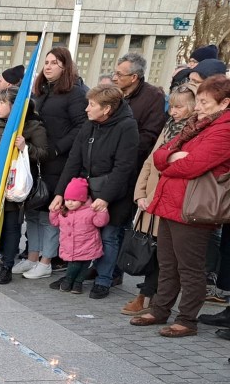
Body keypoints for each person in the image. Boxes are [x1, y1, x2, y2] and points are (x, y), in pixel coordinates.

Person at [133, 75, 230, 337]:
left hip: (193, 208)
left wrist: (172, 161)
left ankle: (188, 319)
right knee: (167, 263)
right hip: (171, 202)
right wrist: (173, 157)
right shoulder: (194, 125)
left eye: (204, 102)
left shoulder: (224, 129)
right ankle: (161, 308)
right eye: (197, 101)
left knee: (190, 268)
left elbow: (193, 165)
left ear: (224, 103)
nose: (198, 107)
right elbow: (160, 155)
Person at [51, 84, 139, 299]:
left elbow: (124, 167)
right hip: (86, 190)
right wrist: (61, 193)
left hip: (115, 193)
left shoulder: (127, 126)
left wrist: (106, 198)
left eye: (91, 105)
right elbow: (74, 159)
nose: (87, 109)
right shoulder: (90, 124)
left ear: (107, 109)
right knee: (83, 235)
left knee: (109, 236)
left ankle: (104, 279)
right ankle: (75, 274)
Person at [124, 85, 195, 315]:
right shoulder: (168, 127)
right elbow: (150, 161)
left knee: (161, 255)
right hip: (151, 201)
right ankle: (146, 295)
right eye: (171, 106)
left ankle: (151, 298)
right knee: (148, 249)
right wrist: (140, 193)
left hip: (169, 201)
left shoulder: (193, 131)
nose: (173, 111)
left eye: (178, 107)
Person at [0, 87, 49, 285]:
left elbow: (43, 154)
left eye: (2, 103)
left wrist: (26, 148)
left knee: (12, 227)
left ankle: (6, 264)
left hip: (14, 188)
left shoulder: (32, 127)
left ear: (15, 107)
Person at [29, 47, 88, 277]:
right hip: (37, 158)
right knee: (33, 210)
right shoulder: (41, 91)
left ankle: (46, 260)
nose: (48, 66)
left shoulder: (74, 93)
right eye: (47, 62)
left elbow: (81, 127)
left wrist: (57, 149)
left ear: (65, 67)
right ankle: (32, 255)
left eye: (54, 62)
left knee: (49, 213)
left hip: (58, 161)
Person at [49, 178, 110, 293]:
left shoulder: (90, 210)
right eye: (67, 199)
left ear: (82, 200)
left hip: (88, 246)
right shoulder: (63, 211)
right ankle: (69, 280)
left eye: (74, 200)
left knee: (84, 266)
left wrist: (102, 212)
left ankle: (77, 283)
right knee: (74, 265)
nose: (69, 203)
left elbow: (100, 222)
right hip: (71, 247)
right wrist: (53, 212)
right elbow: (55, 222)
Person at [114, 53, 168, 168]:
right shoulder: (114, 92)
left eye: (119, 75)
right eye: (114, 73)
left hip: (131, 162)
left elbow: (150, 134)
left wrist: (122, 152)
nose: (114, 78)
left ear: (133, 77)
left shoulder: (154, 96)